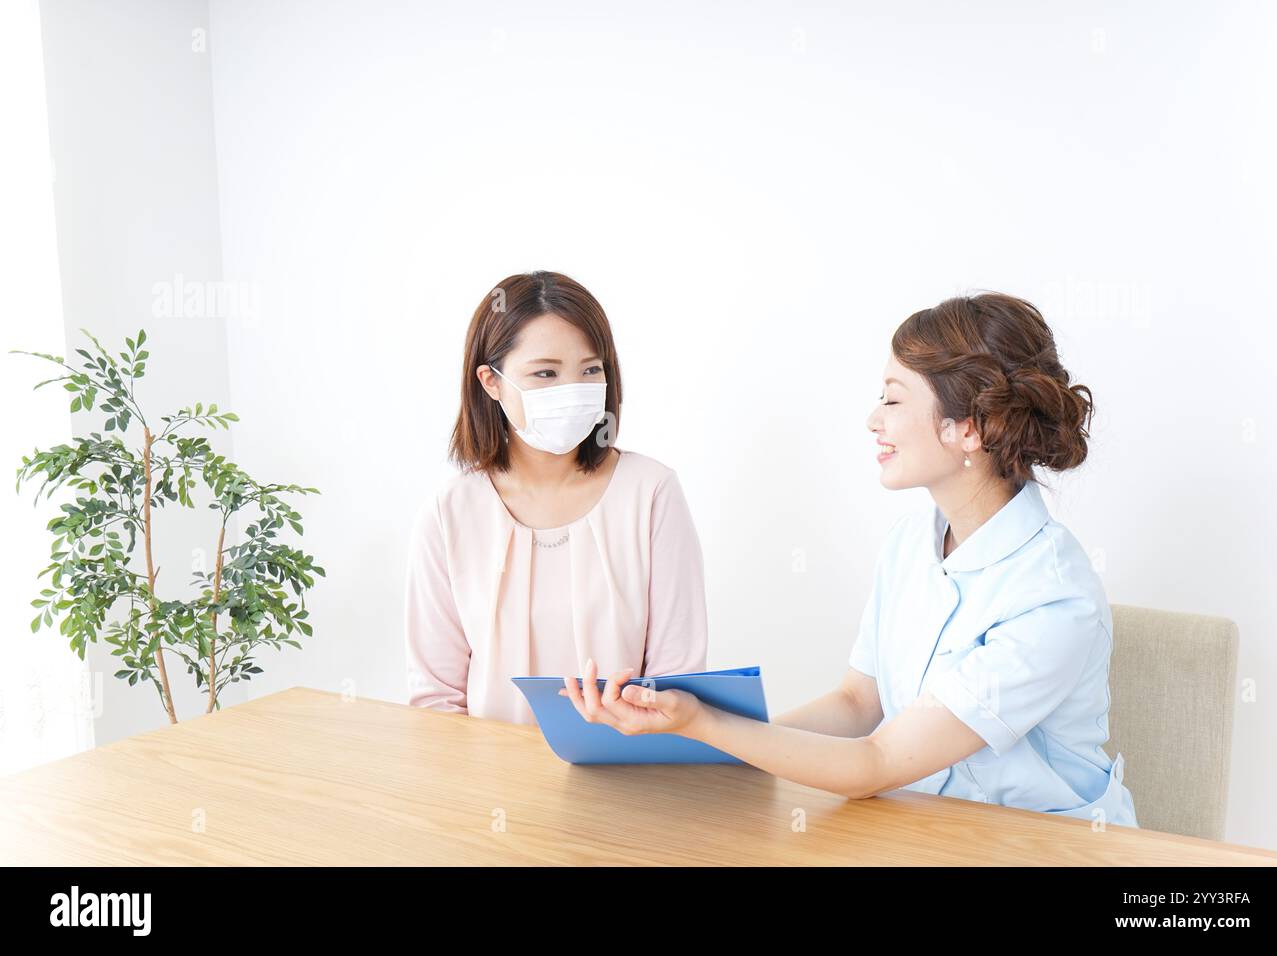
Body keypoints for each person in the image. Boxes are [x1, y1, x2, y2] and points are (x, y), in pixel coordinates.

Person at [562, 292, 1139, 828]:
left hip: (1043, 847)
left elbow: (875, 763)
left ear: (969, 428)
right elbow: (859, 704)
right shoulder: (910, 543)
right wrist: (709, 745)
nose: (873, 420)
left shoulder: (1055, 596)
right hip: (927, 830)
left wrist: (704, 725)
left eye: (892, 398)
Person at [404, 270, 709, 725]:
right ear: (491, 382)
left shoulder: (652, 493)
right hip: (485, 786)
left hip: (629, 781)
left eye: (590, 370)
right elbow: (435, 701)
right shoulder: (450, 514)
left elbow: (677, 687)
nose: (573, 391)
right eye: (546, 373)